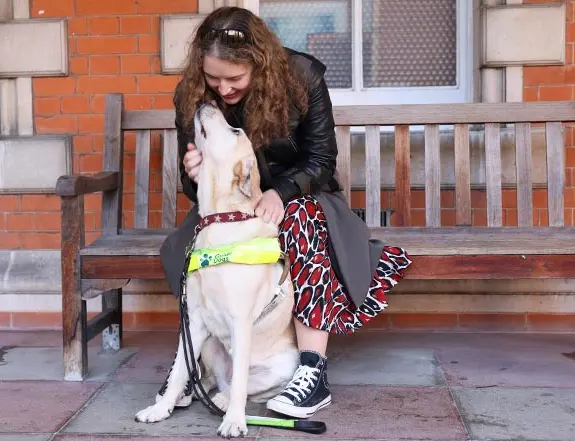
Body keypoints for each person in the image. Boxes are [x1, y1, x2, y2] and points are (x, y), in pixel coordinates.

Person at [157, 6, 412, 419]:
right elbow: (195, 192)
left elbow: (322, 159)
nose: (222, 89)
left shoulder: (301, 77)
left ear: (259, 63)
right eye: (213, 77)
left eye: (234, 78)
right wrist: (193, 173)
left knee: (295, 223)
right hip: (231, 209)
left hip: (305, 197)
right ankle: (192, 363)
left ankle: (312, 370)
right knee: (188, 246)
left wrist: (281, 190)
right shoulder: (192, 95)